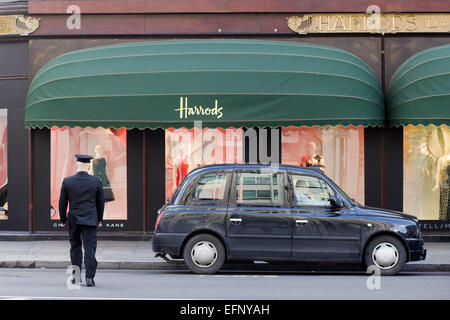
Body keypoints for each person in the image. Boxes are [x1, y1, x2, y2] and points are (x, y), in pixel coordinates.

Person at [59, 154, 105, 287]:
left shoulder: (67, 181)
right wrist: (99, 219)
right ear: (89, 166)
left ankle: (76, 277)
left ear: (77, 165)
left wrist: (63, 219)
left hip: (73, 219)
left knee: (75, 247)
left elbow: (63, 203)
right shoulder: (96, 181)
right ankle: (90, 278)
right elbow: (100, 203)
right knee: (90, 248)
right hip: (90, 219)